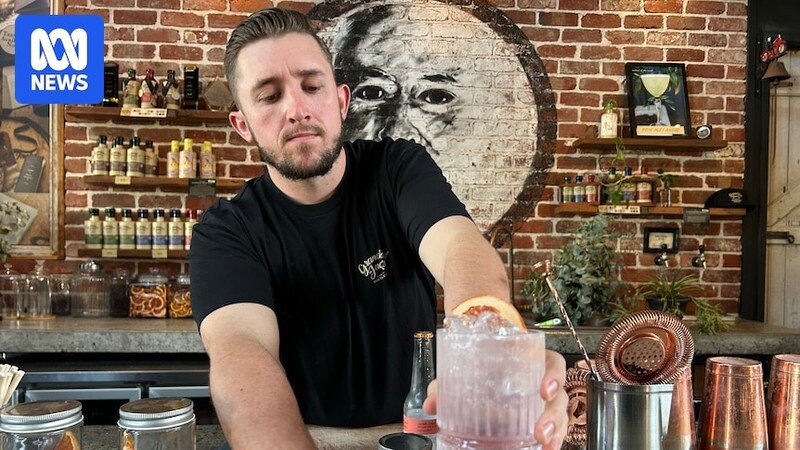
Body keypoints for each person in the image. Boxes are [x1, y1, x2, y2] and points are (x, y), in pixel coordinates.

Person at [189, 8, 567, 450]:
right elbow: (242, 363)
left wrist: (492, 354)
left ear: (341, 101)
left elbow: (459, 249)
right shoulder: (226, 232)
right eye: (270, 97)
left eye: (312, 86)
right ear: (243, 126)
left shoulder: (398, 169)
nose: (297, 109)